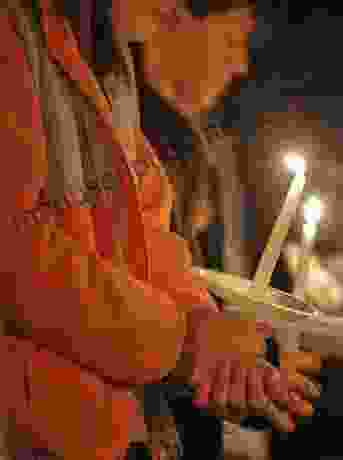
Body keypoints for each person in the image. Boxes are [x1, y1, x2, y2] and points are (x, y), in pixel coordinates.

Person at [0, 1, 316, 459]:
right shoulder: (15, 30)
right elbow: (15, 250)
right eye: (232, 40)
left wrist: (210, 332)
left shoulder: (106, 53)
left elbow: (147, 224)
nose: (172, 6)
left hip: (114, 430)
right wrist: (185, 342)